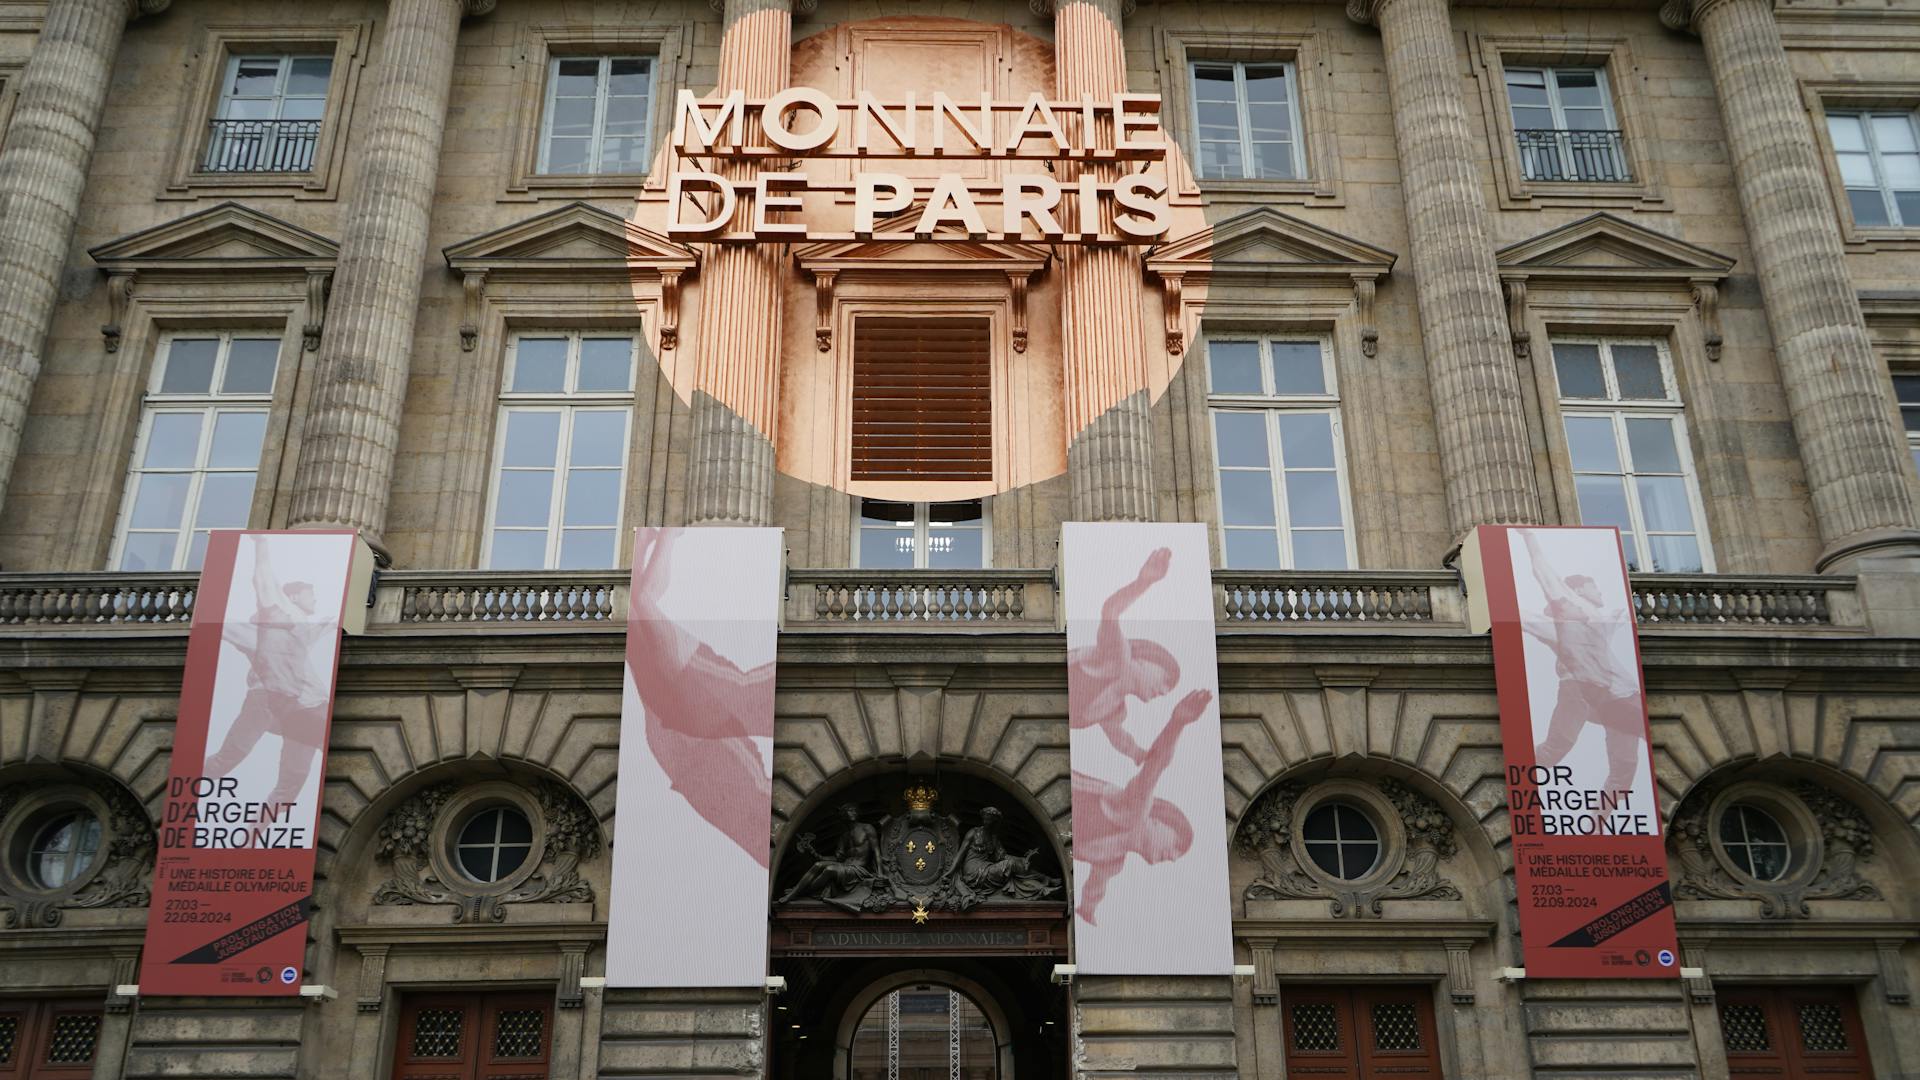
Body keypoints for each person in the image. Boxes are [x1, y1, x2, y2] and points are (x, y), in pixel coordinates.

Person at [627, 528, 775, 867]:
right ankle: (656, 538)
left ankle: (657, 538)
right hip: (682, 733)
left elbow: (641, 599)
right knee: (641, 608)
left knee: (750, 698)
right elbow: (641, 599)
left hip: (683, 735)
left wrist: (653, 543)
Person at [203, 538, 334, 818]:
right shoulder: (268, 616)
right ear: (295, 597)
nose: (315, 599)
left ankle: (253, 833)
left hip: (301, 708)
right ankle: (189, 778)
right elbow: (262, 574)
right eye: (310, 594)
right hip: (269, 701)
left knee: (291, 784)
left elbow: (322, 629)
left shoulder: (299, 629)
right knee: (229, 759)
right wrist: (261, 542)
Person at [1519, 530, 1646, 807]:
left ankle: (1598, 823)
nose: (1599, 591)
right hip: (1591, 694)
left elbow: (1612, 626)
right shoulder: (1561, 618)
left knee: (1624, 768)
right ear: (1577, 591)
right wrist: (1528, 536)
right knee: (1558, 746)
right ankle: (1513, 777)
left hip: (1621, 696)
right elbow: (1542, 571)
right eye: (1594, 586)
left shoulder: (1599, 618)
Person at [1071, 688, 1212, 925]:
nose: (1173, 857)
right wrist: (1177, 723)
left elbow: (1095, 888)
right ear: (1156, 821)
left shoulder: (1112, 861)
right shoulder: (1133, 810)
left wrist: (1087, 911)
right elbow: (1156, 765)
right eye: (1176, 845)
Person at [1067, 547, 1181, 764]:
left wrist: (1143, 756)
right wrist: (1144, 582)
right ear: (1144, 660)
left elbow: (1122, 741)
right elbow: (1110, 611)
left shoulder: (1116, 710)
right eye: (1166, 679)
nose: (1164, 691)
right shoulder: (1114, 654)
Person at [776, 804, 883, 912]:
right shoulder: (844, 836)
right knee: (818, 865)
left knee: (829, 869)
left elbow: (876, 851)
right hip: (845, 866)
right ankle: (795, 892)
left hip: (858, 870)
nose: (851, 812)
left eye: (853, 810)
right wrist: (817, 855)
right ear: (843, 816)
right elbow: (838, 858)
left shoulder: (867, 828)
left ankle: (800, 892)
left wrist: (880, 873)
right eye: (848, 810)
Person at [949, 806, 1060, 901]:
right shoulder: (974, 832)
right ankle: (1045, 879)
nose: (987, 821)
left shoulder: (994, 839)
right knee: (1009, 865)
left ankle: (1042, 884)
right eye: (986, 818)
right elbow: (960, 854)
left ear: (994, 822)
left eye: (991, 819)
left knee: (1013, 868)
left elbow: (1003, 856)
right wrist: (950, 872)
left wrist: (1021, 859)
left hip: (987, 869)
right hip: (973, 872)